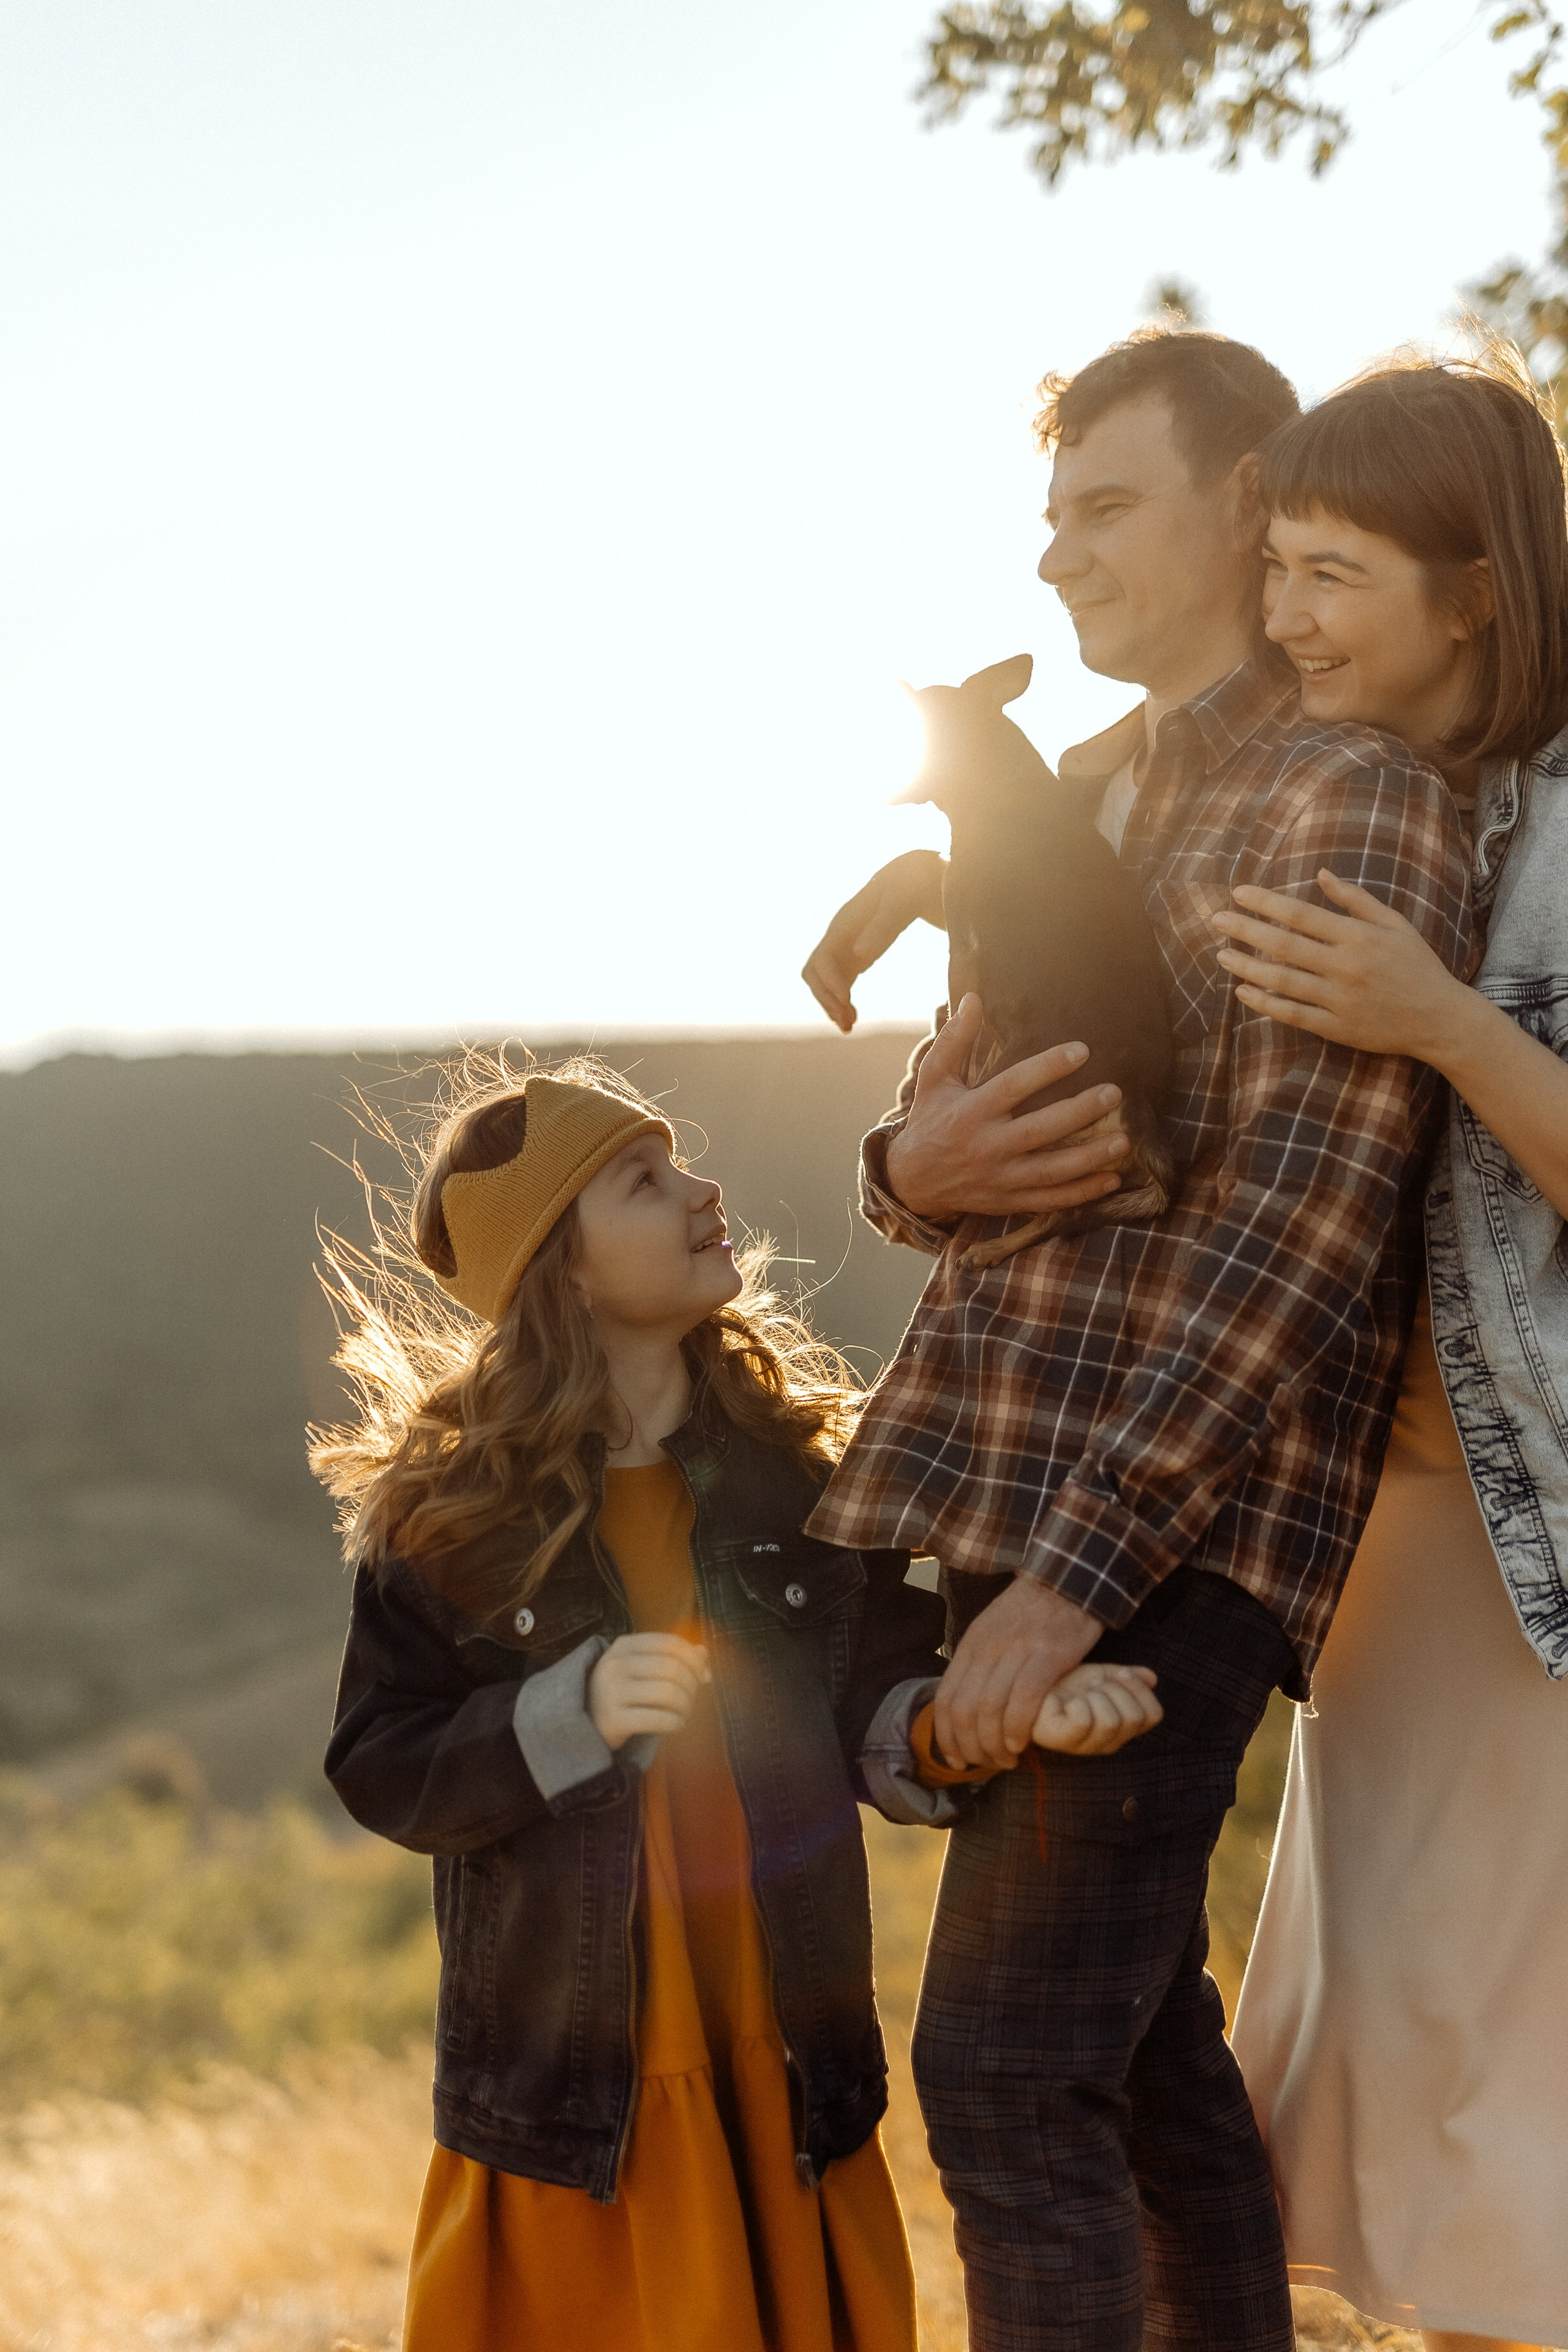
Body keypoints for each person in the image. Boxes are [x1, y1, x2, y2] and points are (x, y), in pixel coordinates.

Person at [800, 327, 1474, 2352]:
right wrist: (910, 1164)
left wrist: (1075, 1588)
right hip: (1009, 1500)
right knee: (1146, 2075)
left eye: (1107, 510)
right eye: (1051, 515)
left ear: (1253, 503)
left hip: (1161, 1548)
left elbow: (1307, 1235)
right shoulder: (1069, 794)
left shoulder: (1348, 796)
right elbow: (945, 1143)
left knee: (1007, 2082)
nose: (1058, 562)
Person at [311, 1057, 1163, 2352]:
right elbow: (382, 1766)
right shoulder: (448, 1522)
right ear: (565, 1270)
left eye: (679, 1160)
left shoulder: (800, 1480)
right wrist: (566, 1709)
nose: (701, 1189)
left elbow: (873, 1707)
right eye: (643, 1184)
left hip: (779, 2058)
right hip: (581, 2099)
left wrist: (999, 1715)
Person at [1209, 353, 1568, 2352]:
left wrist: (1442, 1019)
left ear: (1479, 590)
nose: (1286, 616)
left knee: (1527, 2111)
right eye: (1274, 563)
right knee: (1436, 2090)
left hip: (1550, 1558)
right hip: (1394, 1543)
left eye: (1330, 568)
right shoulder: (1358, 799)